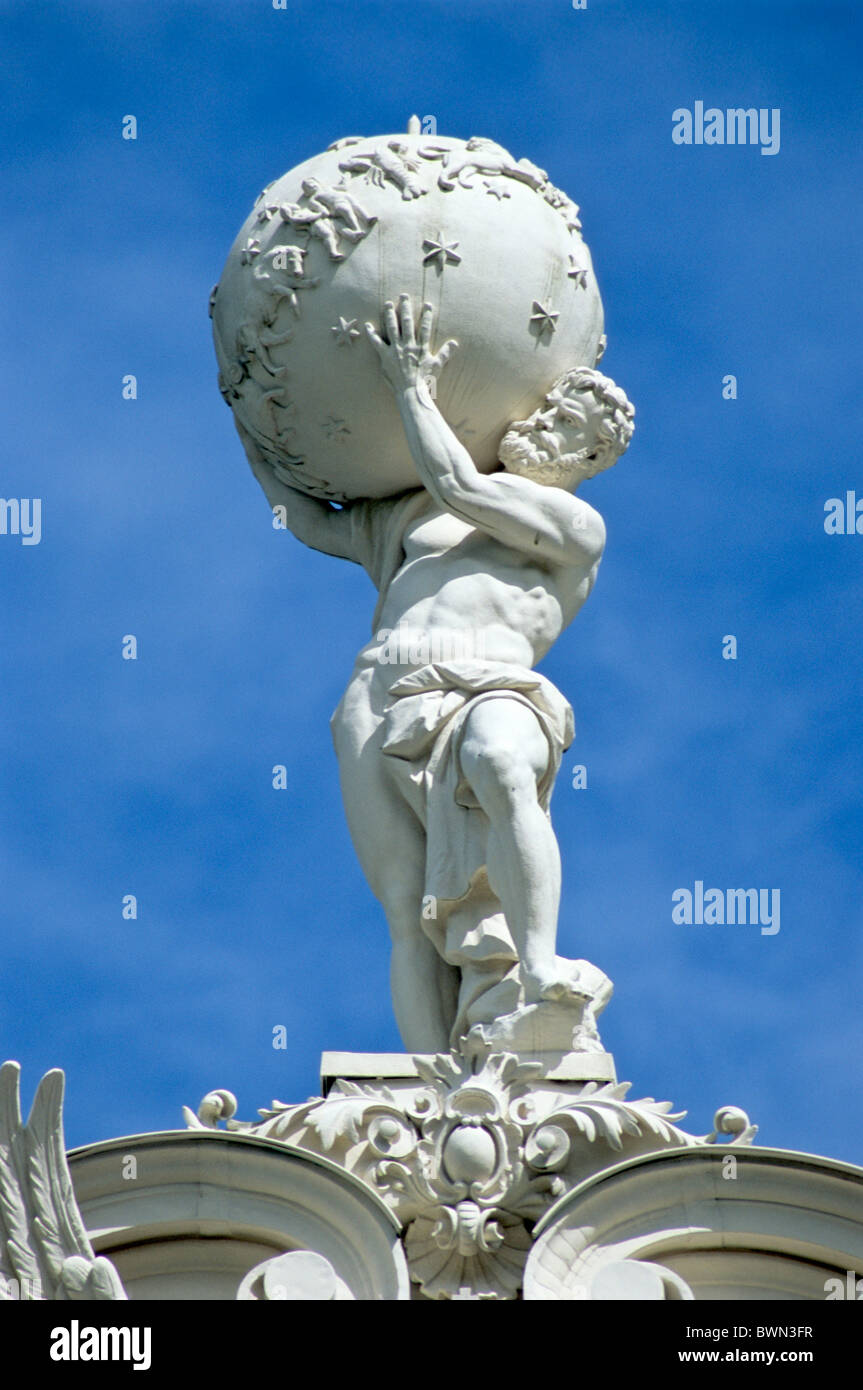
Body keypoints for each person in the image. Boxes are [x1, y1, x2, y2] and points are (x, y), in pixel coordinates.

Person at [239, 297, 634, 1052]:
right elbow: (307, 517)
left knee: (499, 762)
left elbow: (465, 487)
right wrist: (254, 407)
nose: (539, 427)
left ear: (584, 462)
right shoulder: (412, 509)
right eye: (548, 411)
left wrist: (412, 384)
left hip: (489, 681)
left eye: (565, 431)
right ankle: (432, 1081)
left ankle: (541, 963)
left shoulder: (573, 527)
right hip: (378, 691)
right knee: (403, 904)